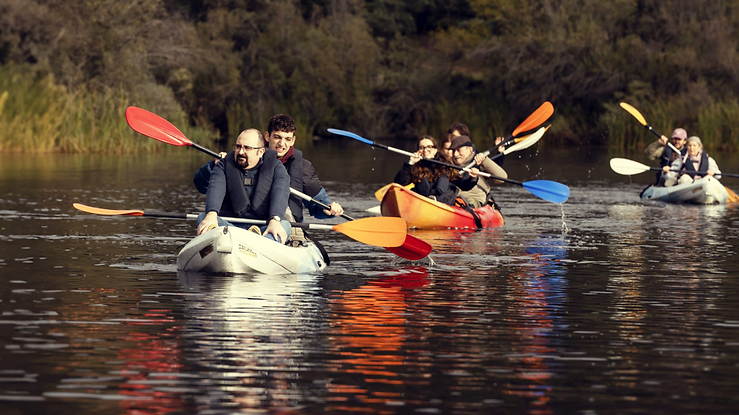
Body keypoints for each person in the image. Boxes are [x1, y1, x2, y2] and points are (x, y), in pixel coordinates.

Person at [196, 128, 292, 244]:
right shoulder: (223, 164)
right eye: (238, 147)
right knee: (203, 217)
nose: (241, 152)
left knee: (284, 224)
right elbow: (216, 187)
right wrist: (211, 214)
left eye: (247, 148)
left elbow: (280, 191)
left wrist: (275, 219)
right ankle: (232, 240)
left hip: (262, 227)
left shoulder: (276, 168)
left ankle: (260, 245)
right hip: (229, 226)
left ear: (260, 152)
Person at [393, 135, 476, 205]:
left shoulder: (445, 166)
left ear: (435, 150)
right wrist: (410, 163)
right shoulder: (415, 167)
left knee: (451, 189)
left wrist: (473, 178)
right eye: (421, 148)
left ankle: (435, 200)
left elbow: (464, 185)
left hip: (442, 203)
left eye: (429, 147)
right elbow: (400, 183)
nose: (425, 150)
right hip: (423, 202)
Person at [449, 135, 508, 208]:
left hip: (473, 202)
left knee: (470, 202)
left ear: (470, 150)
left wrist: (484, 160)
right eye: (454, 151)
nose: (455, 154)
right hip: (453, 200)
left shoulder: (480, 163)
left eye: (459, 150)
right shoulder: (449, 165)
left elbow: (502, 178)